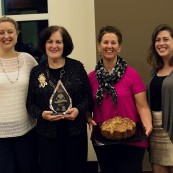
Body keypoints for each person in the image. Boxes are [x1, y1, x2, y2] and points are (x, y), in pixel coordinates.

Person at [26, 25, 93, 173]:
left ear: (65, 45)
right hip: (47, 135)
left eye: (58, 42)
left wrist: (78, 110)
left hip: (75, 133)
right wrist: (41, 114)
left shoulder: (77, 67)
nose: (54, 46)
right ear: (44, 44)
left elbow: (88, 98)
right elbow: (30, 104)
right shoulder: (37, 71)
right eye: (50, 41)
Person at [86, 25, 153, 173]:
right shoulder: (91, 77)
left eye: (113, 43)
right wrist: (88, 118)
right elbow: (86, 107)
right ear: (99, 46)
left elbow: (142, 106)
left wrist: (147, 127)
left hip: (132, 138)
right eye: (105, 42)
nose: (109, 46)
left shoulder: (132, 75)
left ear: (119, 47)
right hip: (103, 139)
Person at [0, 16, 38, 173]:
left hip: (27, 131)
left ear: (17, 34)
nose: (6, 36)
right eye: (1, 32)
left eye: (10, 31)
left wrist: (72, 67)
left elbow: (46, 79)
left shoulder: (28, 60)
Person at [147, 24, 173, 173]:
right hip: (156, 131)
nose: (161, 43)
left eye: (166, 39)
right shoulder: (155, 69)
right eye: (157, 40)